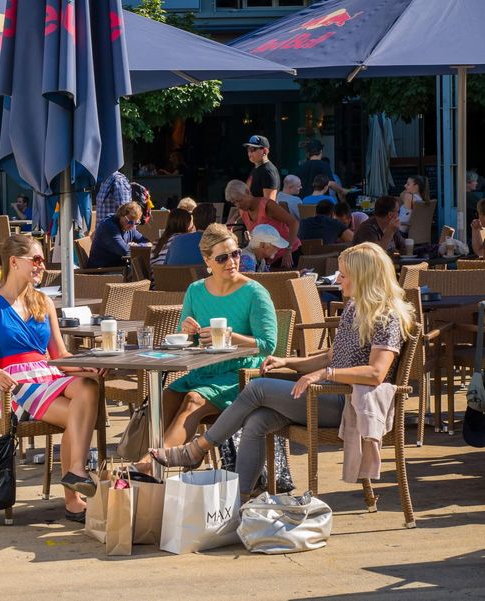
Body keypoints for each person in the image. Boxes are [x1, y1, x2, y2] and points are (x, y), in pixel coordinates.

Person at [149, 243, 415, 502]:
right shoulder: (355, 309)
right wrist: (286, 362)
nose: (338, 280)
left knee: (257, 388)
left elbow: (376, 373)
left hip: (350, 402)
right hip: (330, 394)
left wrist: (324, 374)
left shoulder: (387, 317)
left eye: (344, 275)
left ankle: (196, 449)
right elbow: (330, 357)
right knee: (258, 420)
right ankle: (239, 501)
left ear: (363, 277)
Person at [131, 224, 277, 475]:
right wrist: (186, 332)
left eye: (235, 254)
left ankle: (148, 466)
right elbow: (184, 341)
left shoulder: (255, 292)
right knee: (162, 401)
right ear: (207, 260)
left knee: (192, 400)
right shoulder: (196, 290)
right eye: (222, 258)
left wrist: (232, 337)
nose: (231, 262)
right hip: (202, 371)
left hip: (239, 375)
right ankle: (149, 466)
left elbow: (268, 344)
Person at [0, 234, 102, 522]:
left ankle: (77, 472)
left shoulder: (43, 302)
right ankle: (74, 495)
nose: (41, 266)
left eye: (42, 260)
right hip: (14, 386)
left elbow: (60, 354)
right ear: (13, 262)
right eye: (36, 259)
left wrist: (88, 367)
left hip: (49, 375)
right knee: (78, 413)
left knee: (87, 385)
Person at [225, 179, 300, 268]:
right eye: (234, 203)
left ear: (247, 192)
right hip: (268, 258)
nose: (238, 205)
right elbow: (238, 210)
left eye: (240, 200)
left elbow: (294, 222)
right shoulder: (243, 210)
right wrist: (233, 219)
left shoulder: (267, 205)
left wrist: (288, 250)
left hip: (288, 254)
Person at [88, 201, 149, 268]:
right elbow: (125, 251)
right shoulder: (109, 227)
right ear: (121, 215)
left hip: (118, 267)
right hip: (101, 270)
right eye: (130, 222)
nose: (133, 226)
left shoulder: (131, 227)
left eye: (136, 223)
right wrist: (136, 248)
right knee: (139, 271)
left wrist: (136, 246)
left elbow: (147, 242)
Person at [244, 135, 279, 202]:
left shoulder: (268, 171)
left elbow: (269, 203)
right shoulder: (255, 169)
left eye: (253, 149)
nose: (249, 152)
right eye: (248, 149)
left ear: (265, 151)